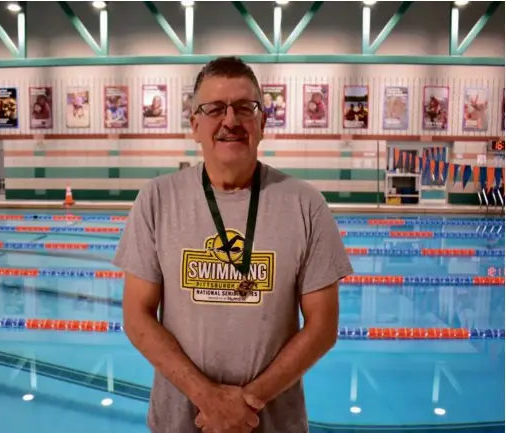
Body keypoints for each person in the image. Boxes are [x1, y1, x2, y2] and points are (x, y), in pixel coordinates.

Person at [112, 56, 354, 433]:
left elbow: (323, 325)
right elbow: (136, 316)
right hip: (180, 422)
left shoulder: (306, 204)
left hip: (272, 423)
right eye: (214, 109)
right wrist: (209, 399)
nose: (230, 121)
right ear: (194, 124)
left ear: (263, 122)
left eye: (245, 108)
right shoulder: (156, 200)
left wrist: (247, 403)